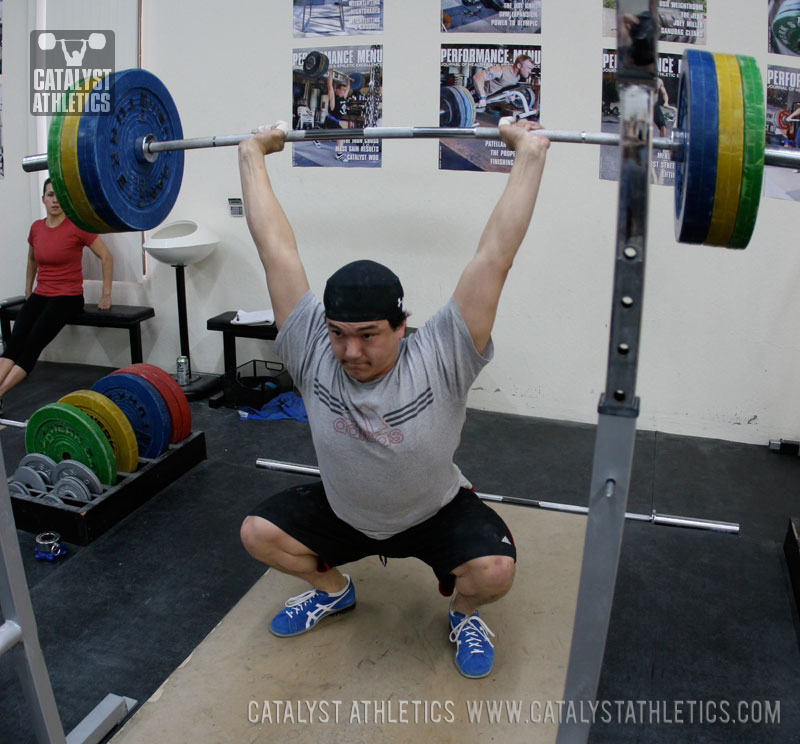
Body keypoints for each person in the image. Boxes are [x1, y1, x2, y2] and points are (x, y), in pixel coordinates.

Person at [237, 118, 549, 679]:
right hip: (346, 511)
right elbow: (275, 251)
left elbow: (494, 256)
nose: (349, 351)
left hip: (432, 511)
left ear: (402, 326)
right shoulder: (312, 347)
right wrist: (252, 155)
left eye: (368, 335)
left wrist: (528, 155)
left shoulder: (443, 354)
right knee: (257, 534)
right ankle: (333, 591)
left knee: (496, 570)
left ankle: (464, 613)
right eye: (337, 332)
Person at [0, 179, 113, 411]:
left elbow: (106, 256)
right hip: (42, 294)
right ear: (43, 199)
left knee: (32, 345)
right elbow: (32, 260)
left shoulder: (77, 226)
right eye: (51, 195)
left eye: (60, 196)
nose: (55, 201)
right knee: (14, 343)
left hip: (68, 297)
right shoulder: (36, 228)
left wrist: (106, 294)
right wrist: (27, 290)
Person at [316, 69, 351, 162]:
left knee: (328, 137)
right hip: (331, 121)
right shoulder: (334, 98)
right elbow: (330, 87)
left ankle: (316, 139)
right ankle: (339, 155)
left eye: (344, 91)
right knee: (341, 135)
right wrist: (330, 74)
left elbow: (348, 88)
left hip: (333, 121)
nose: (344, 92)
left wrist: (348, 80)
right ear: (337, 90)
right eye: (342, 90)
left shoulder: (343, 97)